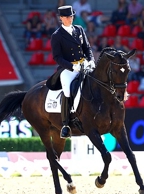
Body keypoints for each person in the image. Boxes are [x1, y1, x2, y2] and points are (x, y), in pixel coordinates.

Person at [46, 5, 95, 139]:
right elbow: (57, 57)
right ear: (61, 18)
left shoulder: (79, 29)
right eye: (67, 17)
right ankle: (66, 124)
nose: (70, 18)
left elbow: (87, 48)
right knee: (68, 91)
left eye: (71, 16)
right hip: (68, 68)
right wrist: (72, 67)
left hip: (83, 64)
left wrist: (90, 60)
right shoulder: (57, 36)